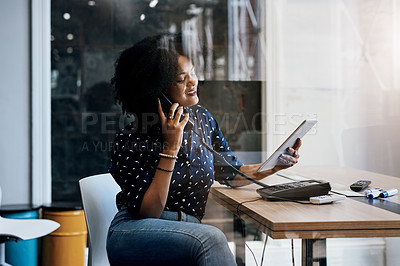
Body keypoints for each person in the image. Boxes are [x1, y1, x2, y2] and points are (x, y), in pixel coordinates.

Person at [106, 34, 301, 266]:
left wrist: (274, 165)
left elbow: (233, 173)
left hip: (189, 231)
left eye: (194, 72)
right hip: (135, 231)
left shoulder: (201, 119)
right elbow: (150, 212)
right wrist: (170, 147)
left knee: (209, 238)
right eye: (181, 79)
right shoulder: (129, 140)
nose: (193, 82)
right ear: (157, 90)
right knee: (212, 238)